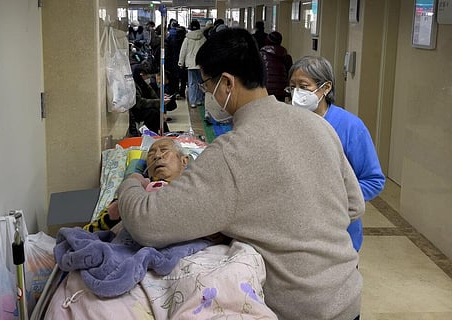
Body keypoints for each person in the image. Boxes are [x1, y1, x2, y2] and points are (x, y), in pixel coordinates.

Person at [117, 28, 364, 320]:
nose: (208, 94)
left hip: (297, 308)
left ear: (227, 83)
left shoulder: (230, 154)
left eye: (208, 86)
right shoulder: (319, 127)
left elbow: (147, 223)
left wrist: (132, 179)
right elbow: (354, 205)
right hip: (347, 295)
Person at [287, 55, 386, 252]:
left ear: (326, 88)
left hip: (339, 233)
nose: (296, 93)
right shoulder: (289, 122)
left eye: (304, 86)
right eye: (292, 86)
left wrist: (336, 198)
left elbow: (374, 180)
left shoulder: (350, 127)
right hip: (297, 231)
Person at [84, 137, 189, 232]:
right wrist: (114, 217)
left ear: (184, 160)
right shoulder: (134, 189)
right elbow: (91, 231)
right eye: (151, 154)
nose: (157, 156)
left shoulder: (194, 187)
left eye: (164, 150)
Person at [127, 65, 170, 136]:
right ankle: (155, 135)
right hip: (136, 110)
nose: (148, 79)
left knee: (157, 114)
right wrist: (159, 102)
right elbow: (139, 103)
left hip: (145, 108)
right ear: (141, 75)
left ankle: (165, 134)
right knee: (153, 113)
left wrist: (162, 109)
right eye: (146, 77)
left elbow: (153, 96)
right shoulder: (132, 86)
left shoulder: (144, 85)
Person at [178, 19, 206, 108]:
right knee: (200, 82)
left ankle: (192, 101)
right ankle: (199, 100)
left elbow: (183, 51)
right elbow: (206, 51)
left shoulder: (187, 38)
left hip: (190, 64)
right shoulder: (203, 38)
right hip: (201, 63)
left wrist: (180, 62)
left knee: (192, 83)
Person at [260, 31, 293, 102]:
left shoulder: (260, 55)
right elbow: (290, 73)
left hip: (265, 88)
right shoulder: (286, 56)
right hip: (281, 89)